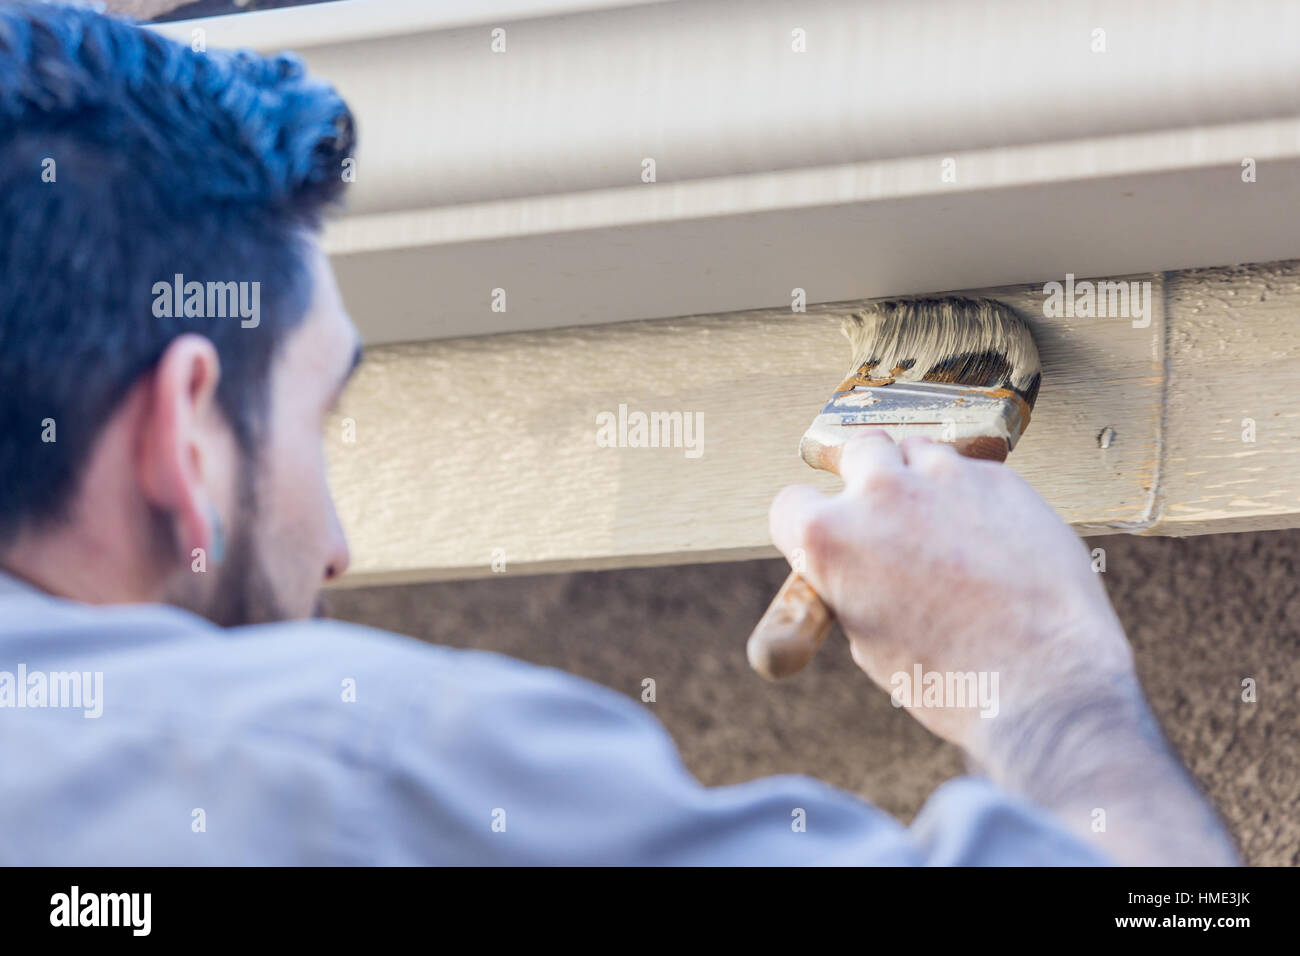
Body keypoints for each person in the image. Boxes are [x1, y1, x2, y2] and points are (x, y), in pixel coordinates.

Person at [0, 3, 1237, 866]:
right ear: (179, 427)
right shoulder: (350, 769)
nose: (331, 544)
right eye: (319, 421)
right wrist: (1046, 687)